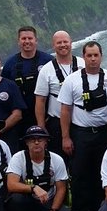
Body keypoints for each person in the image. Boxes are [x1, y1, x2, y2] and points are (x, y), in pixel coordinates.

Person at [57, 41, 107, 211]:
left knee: (102, 173)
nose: (92, 59)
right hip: (80, 133)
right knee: (79, 173)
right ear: (83, 57)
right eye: (89, 55)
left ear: (101, 56)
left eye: (96, 55)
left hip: (104, 132)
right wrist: (65, 137)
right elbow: (65, 110)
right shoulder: (72, 80)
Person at [5, 125, 73, 211]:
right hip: (28, 201)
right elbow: (11, 184)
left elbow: (61, 188)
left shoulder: (56, 159)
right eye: (32, 139)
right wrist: (33, 188)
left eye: (40, 139)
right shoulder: (18, 158)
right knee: (15, 199)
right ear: (26, 142)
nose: (36, 142)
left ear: (46, 142)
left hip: (48, 202)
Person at [33, 30, 82, 158]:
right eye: (58, 42)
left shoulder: (83, 64)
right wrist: (41, 126)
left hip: (81, 122)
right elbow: (40, 100)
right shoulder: (46, 70)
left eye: (65, 42)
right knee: (60, 158)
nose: (62, 45)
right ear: (53, 46)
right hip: (56, 123)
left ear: (71, 43)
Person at [2, 26, 54, 143]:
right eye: (23, 38)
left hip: (46, 117)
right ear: (18, 41)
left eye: (30, 38)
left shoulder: (49, 61)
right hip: (20, 119)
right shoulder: (10, 64)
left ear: (36, 40)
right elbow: (5, 90)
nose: (27, 41)